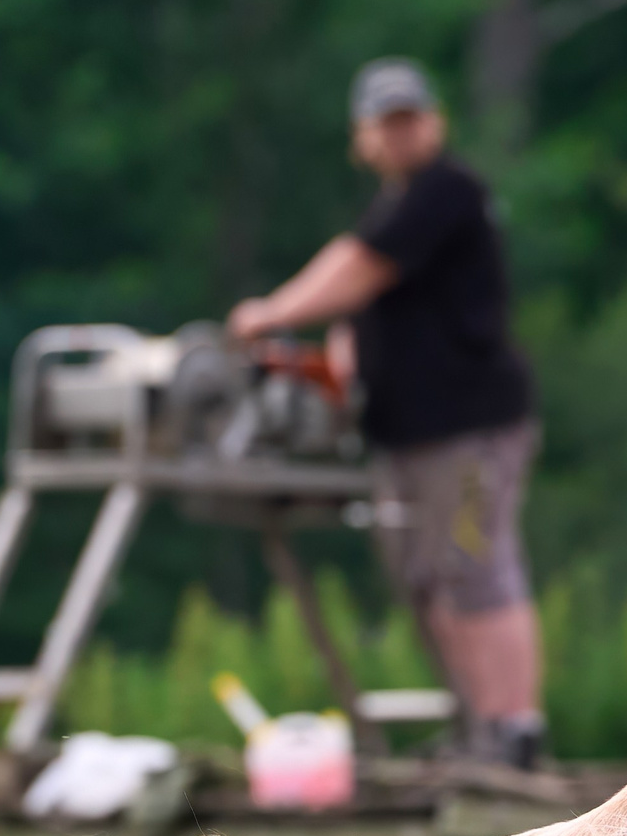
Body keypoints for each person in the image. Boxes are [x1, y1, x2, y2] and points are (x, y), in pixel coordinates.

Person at [229, 59, 546, 768]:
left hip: (468, 432)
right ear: (363, 138)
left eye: (410, 119)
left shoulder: (445, 192)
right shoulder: (398, 208)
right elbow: (379, 299)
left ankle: (514, 731)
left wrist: (268, 314)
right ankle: (479, 730)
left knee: (476, 565)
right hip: (409, 434)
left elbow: (359, 269)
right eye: (386, 123)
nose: (400, 134)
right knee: (428, 575)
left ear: (434, 123)